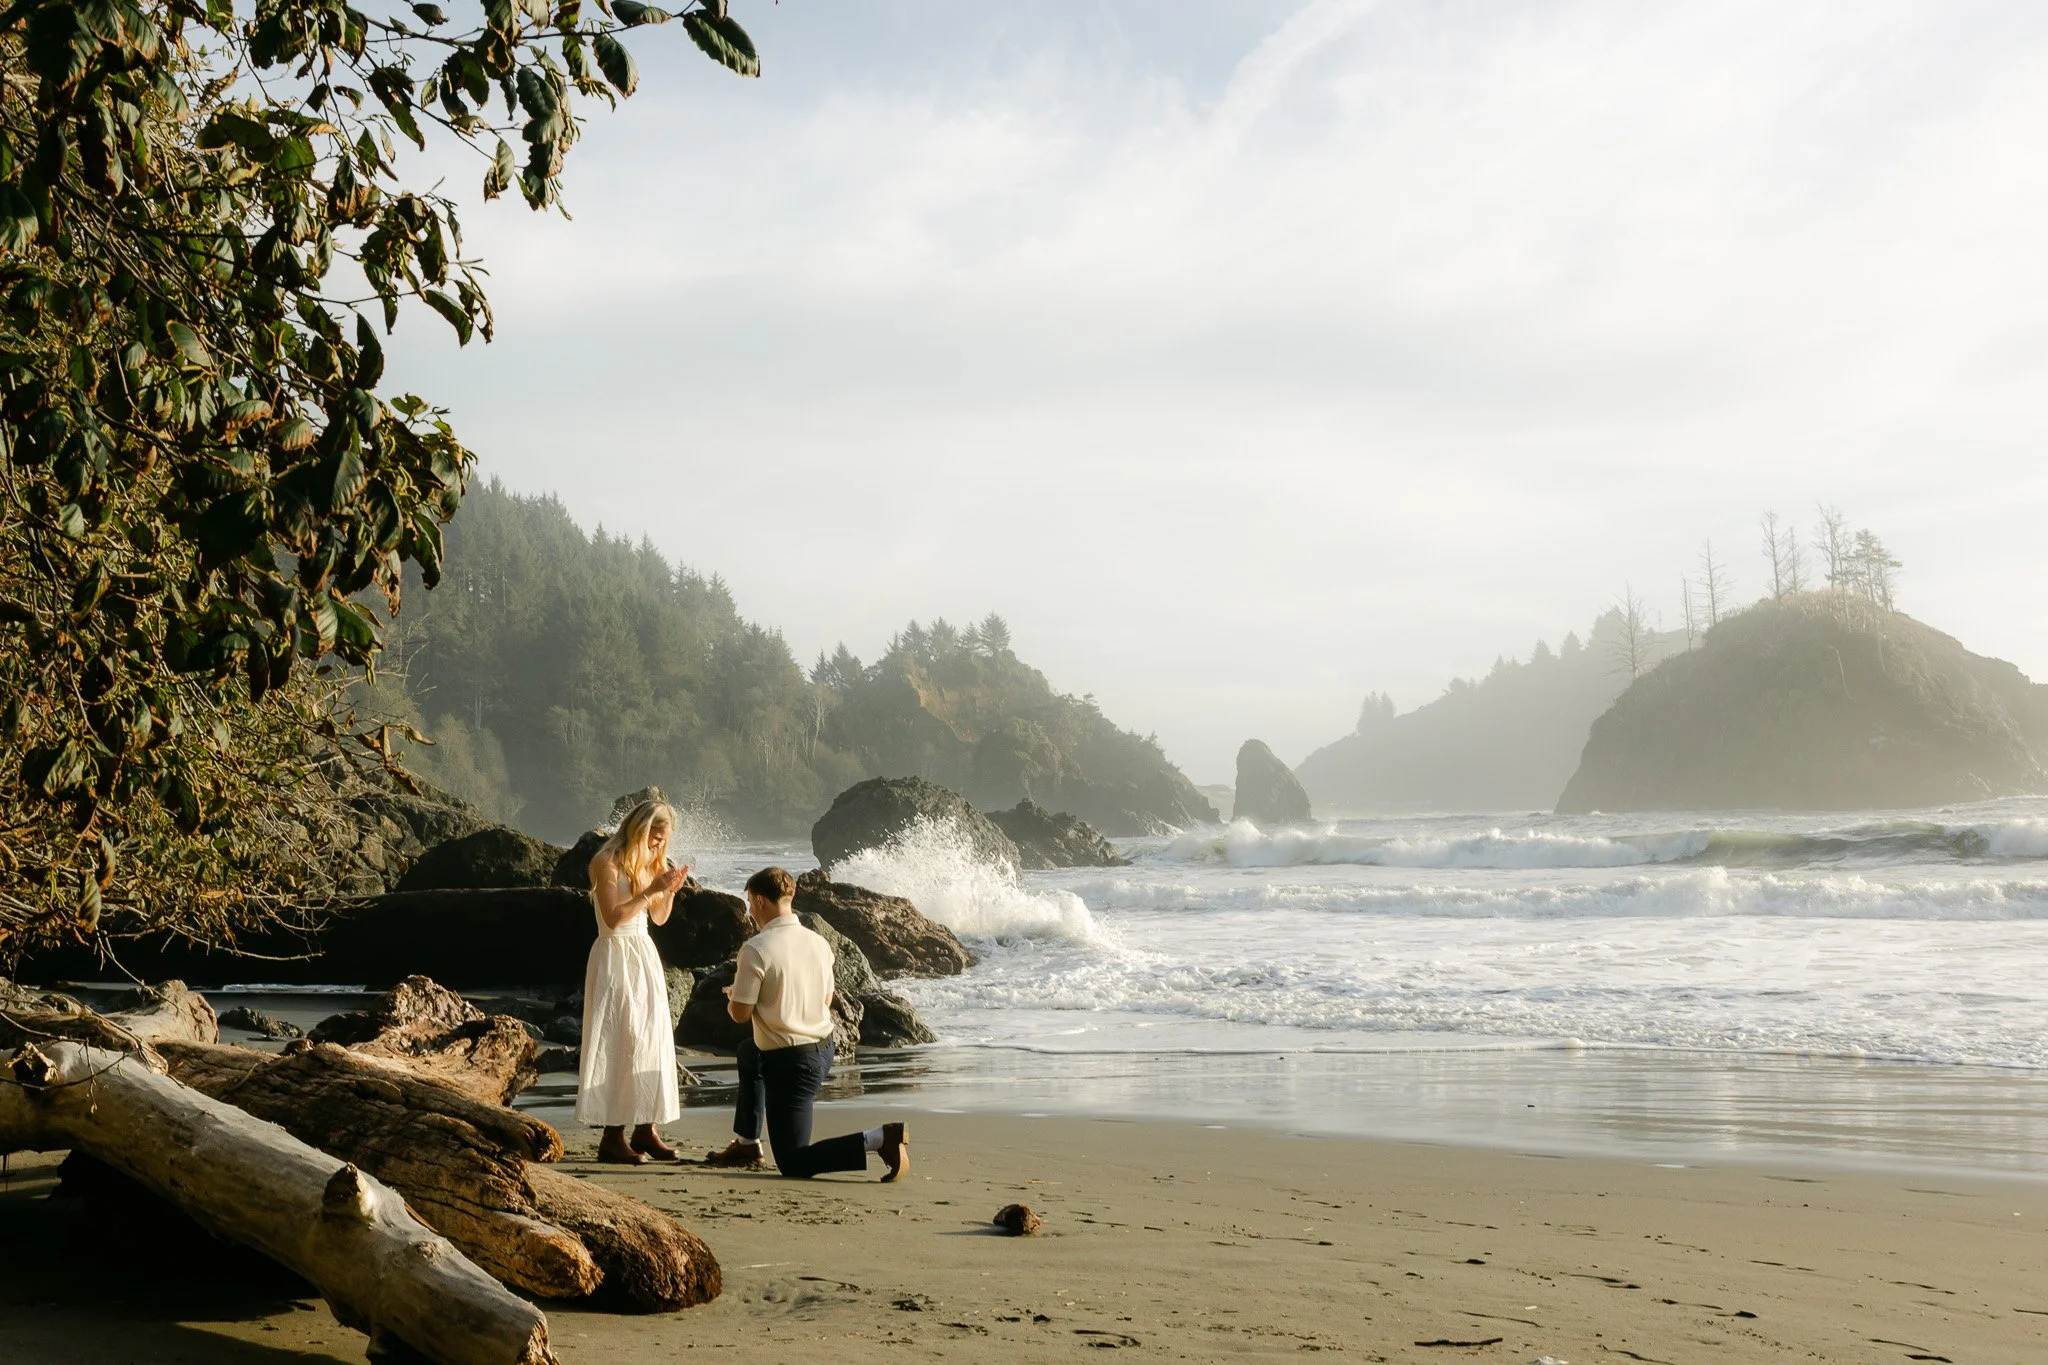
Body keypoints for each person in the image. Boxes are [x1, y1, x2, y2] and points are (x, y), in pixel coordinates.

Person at [703, 866, 909, 1180]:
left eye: (749, 903)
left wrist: (735, 996)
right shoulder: (817, 943)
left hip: (791, 1064)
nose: (749, 911)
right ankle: (747, 1142)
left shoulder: (756, 949)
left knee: (794, 1162)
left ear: (760, 901)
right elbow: (825, 999)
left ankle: (881, 1138)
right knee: (749, 1052)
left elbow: (741, 1014)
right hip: (824, 1049)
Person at [577, 798, 688, 1164]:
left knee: (651, 1037)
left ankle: (646, 1128)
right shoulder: (606, 861)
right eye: (654, 837)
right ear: (638, 829)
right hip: (615, 953)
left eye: (664, 839)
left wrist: (667, 891)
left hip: (643, 952)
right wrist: (651, 890)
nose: (658, 845)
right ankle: (613, 1135)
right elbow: (612, 917)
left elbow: (658, 918)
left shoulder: (652, 863)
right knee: (621, 1038)